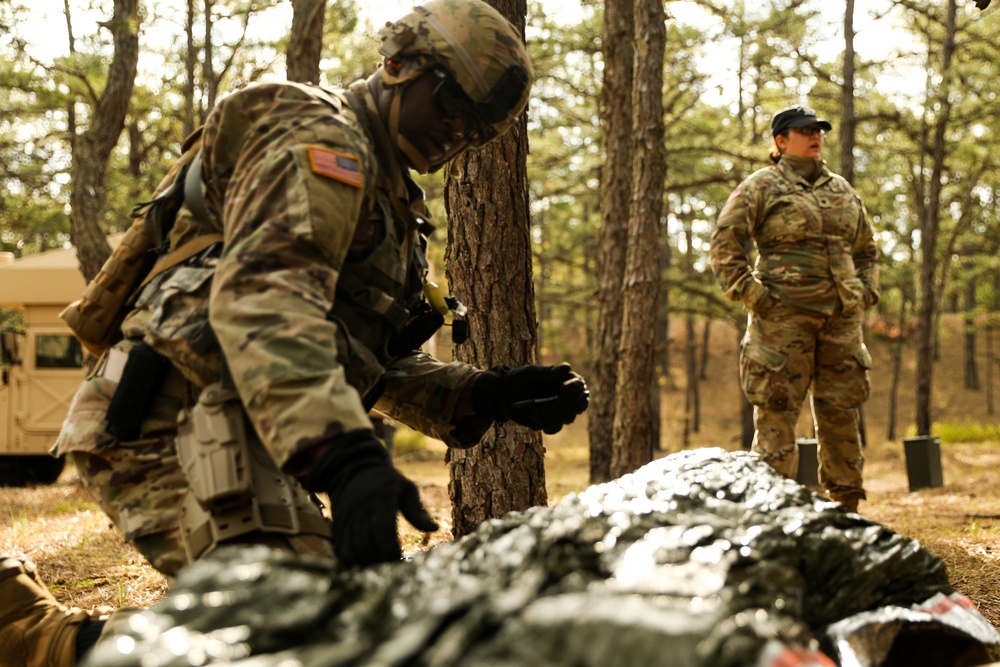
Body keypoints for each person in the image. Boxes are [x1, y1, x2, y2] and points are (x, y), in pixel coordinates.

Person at [0, 1, 589, 664]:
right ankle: (32, 641)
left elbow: (365, 363)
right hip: (161, 422)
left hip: (229, 426)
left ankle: (27, 629)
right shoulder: (321, 140)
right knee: (313, 632)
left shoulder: (389, 194)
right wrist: (344, 455)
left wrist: (488, 392)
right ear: (398, 64)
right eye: (450, 100)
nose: (456, 130)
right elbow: (262, 304)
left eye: (476, 128)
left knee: (321, 627)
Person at [709, 104, 879, 514]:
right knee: (777, 412)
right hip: (781, 323)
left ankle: (847, 506)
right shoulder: (761, 187)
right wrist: (752, 294)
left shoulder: (840, 189)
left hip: (840, 322)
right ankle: (772, 511)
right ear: (781, 141)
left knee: (841, 411)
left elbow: (866, 249)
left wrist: (866, 292)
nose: (814, 136)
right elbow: (724, 242)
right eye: (804, 131)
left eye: (818, 129)